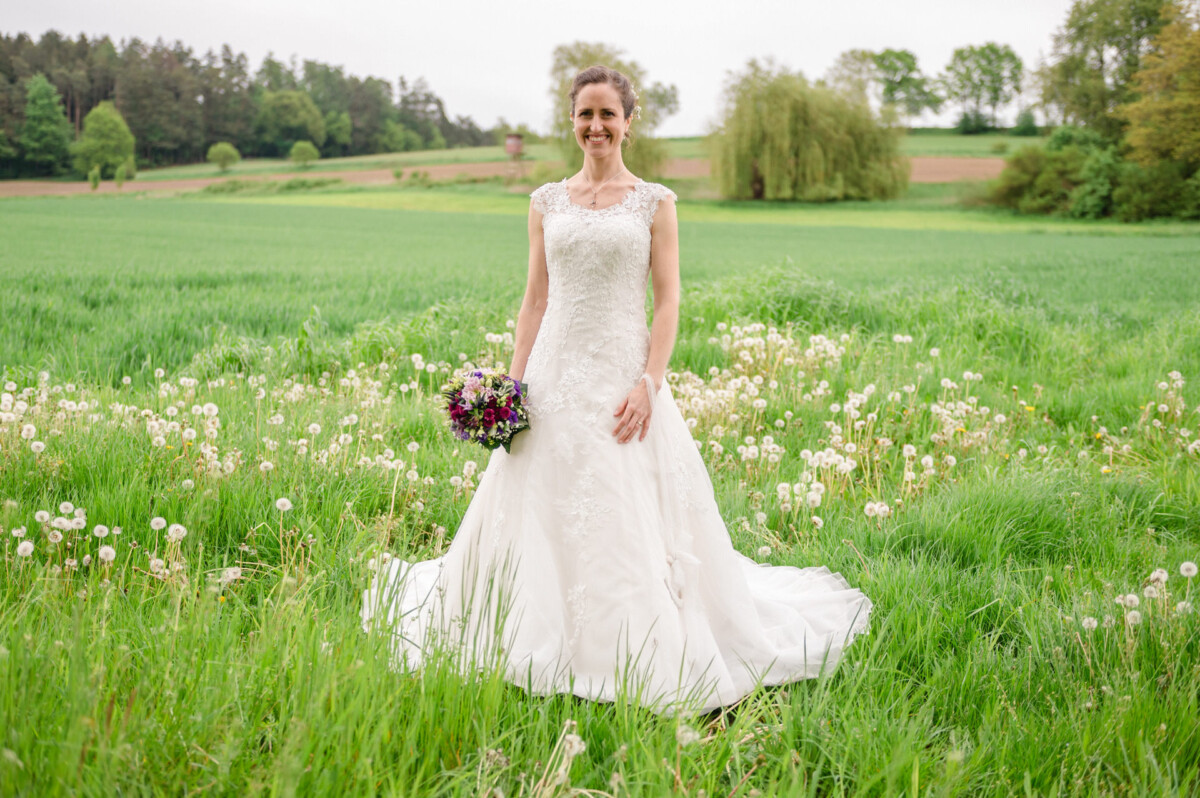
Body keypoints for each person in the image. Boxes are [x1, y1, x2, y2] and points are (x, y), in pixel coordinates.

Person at [362, 65, 872, 713]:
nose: (596, 126)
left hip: (623, 377)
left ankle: (627, 640)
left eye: (608, 114)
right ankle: (527, 628)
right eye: (585, 114)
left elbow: (667, 301)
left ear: (630, 121)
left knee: (625, 499)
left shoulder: (654, 201)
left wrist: (650, 383)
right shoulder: (545, 201)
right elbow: (534, 300)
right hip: (553, 376)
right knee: (536, 499)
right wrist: (511, 386)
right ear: (571, 122)